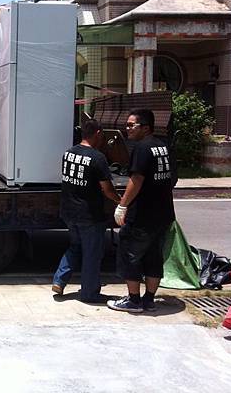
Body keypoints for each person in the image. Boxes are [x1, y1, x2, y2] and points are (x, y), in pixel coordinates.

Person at [108, 109, 176, 313]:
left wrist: (122, 205)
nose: (127, 129)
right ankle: (149, 300)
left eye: (131, 125)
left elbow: (136, 180)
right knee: (154, 257)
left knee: (130, 253)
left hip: (143, 215)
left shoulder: (142, 148)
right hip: (163, 214)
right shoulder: (162, 147)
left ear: (145, 127)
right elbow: (172, 177)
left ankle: (134, 300)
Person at [52, 119, 121, 302]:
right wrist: (121, 202)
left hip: (69, 212)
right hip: (89, 215)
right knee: (92, 254)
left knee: (75, 247)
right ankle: (89, 293)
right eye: (102, 136)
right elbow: (107, 190)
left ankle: (59, 280)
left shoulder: (68, 153)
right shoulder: (97, 158)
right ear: (97, 133)